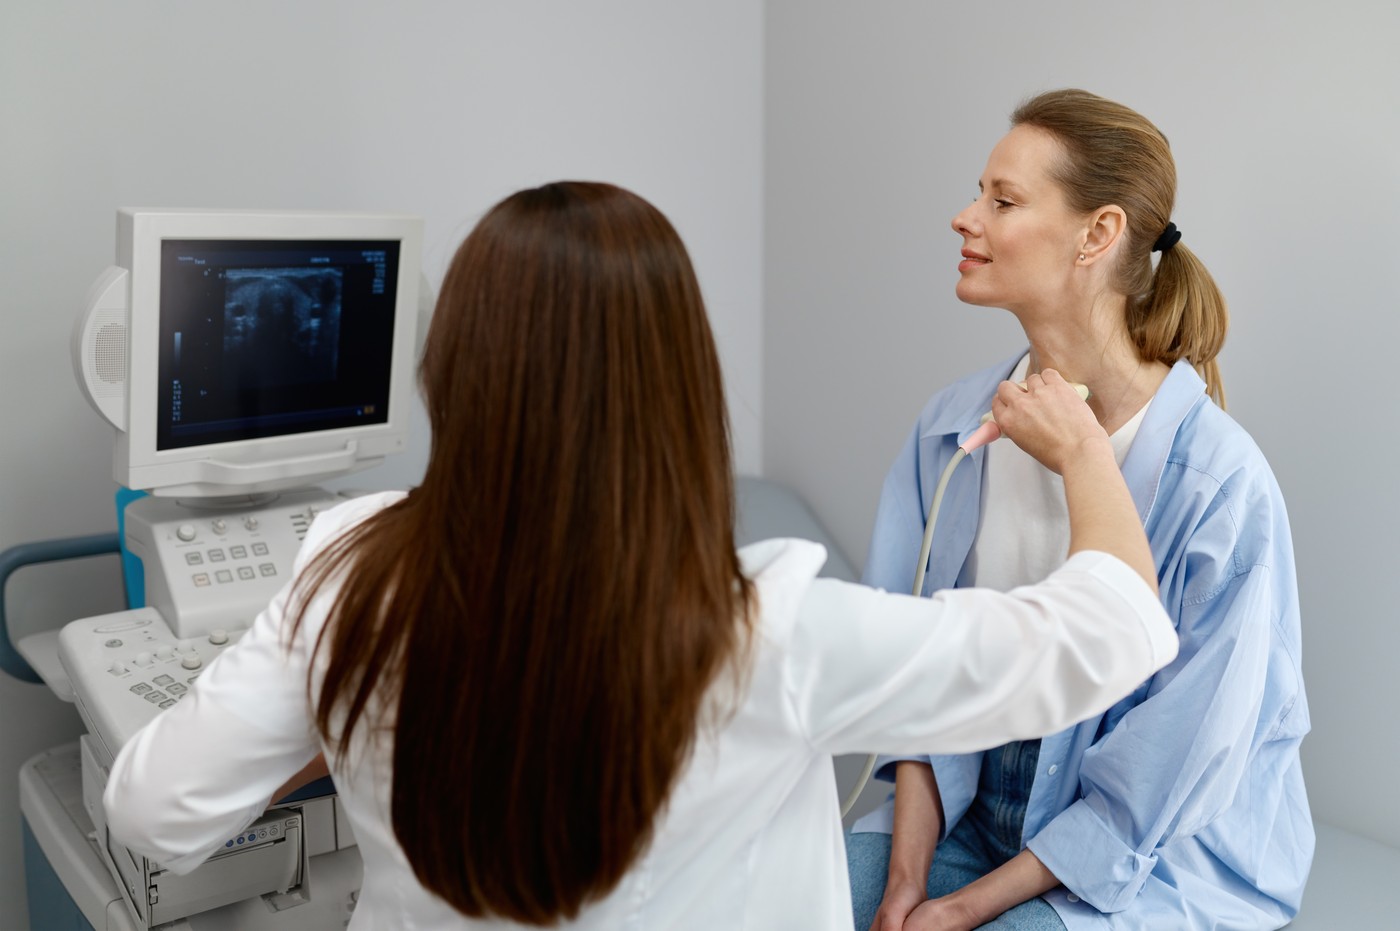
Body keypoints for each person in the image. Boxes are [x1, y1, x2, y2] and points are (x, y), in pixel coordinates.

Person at [103, 181, 1178, 930]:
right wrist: (1084, 445)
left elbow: (149, 811)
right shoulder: (771, 634)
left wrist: (339, 711)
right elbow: (1116, 627)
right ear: (678, 387)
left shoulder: (349, 568)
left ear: (451, 365)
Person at [846, 90, 1312, 931]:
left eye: (1003, 200)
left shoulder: (1220, 486)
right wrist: (904, 886)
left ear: (1097, 234)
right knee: (785, 899)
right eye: (979, 193)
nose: (964, 217)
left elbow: (1154, 789)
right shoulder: (953, 430)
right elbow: (914, 679)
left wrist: (963, 910)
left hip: (1156, 858)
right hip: (970, 817)